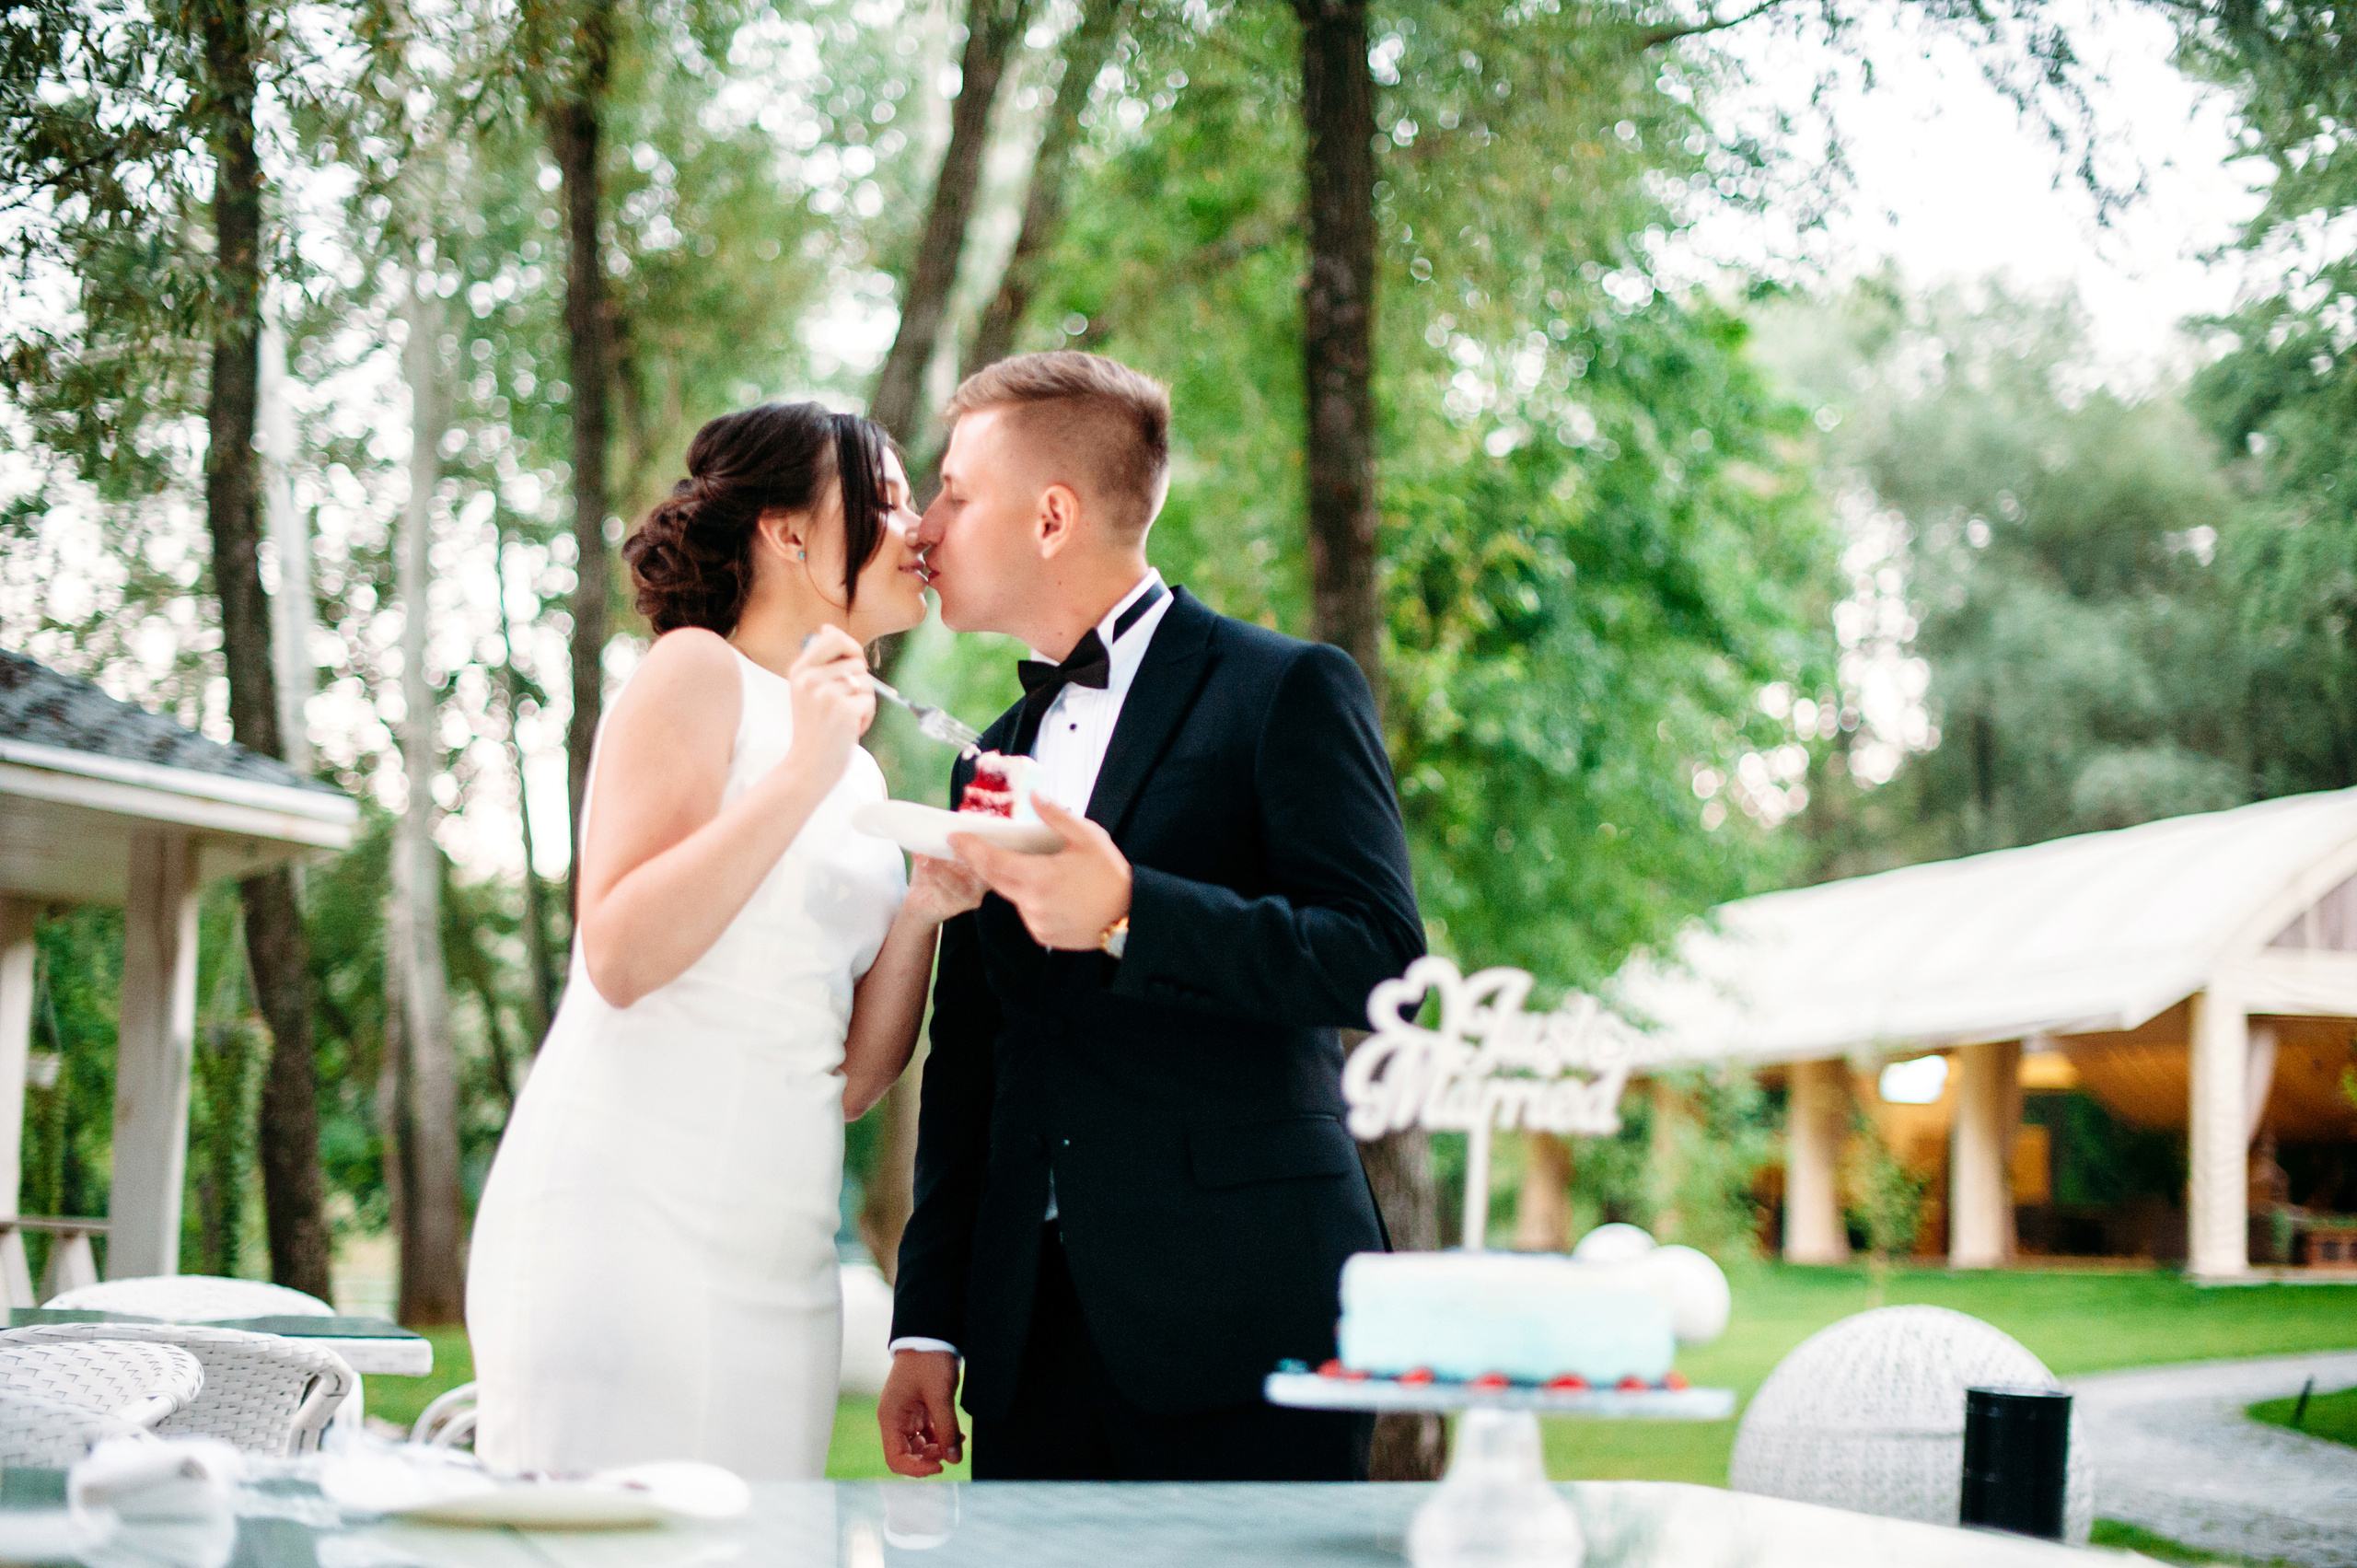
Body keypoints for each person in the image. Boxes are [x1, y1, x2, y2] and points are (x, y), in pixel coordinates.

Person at [877, 352, 1426, 1481]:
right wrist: (928, 1321)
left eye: (954, 491)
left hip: (1248, 1313)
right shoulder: (989, 754)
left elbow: (1377, 959)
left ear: (1051, 516)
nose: (925, 526)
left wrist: (1132, 911)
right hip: (1031, 1338)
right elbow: (971, 1058)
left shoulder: (1284, 689)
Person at [467, 401, 983, 1480]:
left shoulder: (859, 768)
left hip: (782, 1249)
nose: (918, 529)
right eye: (885, 500)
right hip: (627, 1220)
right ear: (788, 533)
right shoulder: (693, 673)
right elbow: (619, 951)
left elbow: (852, 1078)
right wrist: (799, 767)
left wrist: (923, 909)